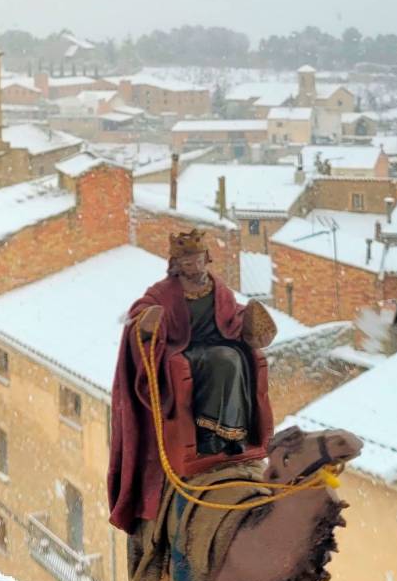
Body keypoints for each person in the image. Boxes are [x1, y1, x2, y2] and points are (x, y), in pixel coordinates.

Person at [107, 228, 276, 533]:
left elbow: (232, 315)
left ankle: (232, 435)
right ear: (177, 264)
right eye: (187, 263)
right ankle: (209, 436)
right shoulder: (164, 291)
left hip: (218, 345)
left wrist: (249, 319)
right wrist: (148, 321)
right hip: (184, 351)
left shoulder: (216, 287)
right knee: (222, 361)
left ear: (206, 260)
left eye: (198, 261)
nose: (194, 267)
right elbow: (141, 312)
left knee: (236, 359)